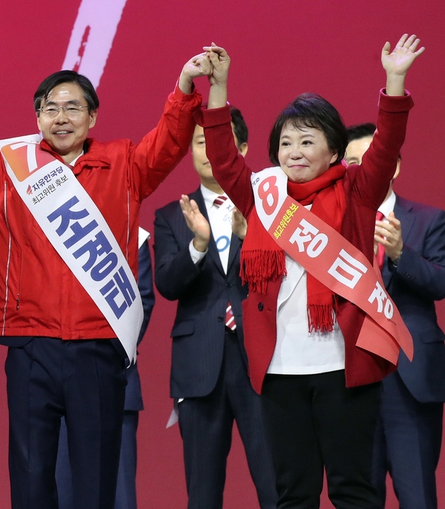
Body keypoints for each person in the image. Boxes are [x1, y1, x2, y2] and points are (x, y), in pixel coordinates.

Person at [0, 26, 211, 508]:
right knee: (31, 479)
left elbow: (172, 140)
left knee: (95, 480)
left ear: (93, 116)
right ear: (37, 118)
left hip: (97, 347)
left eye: (73, 107)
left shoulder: (125, 166)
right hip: (31, 346)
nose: (61, 117)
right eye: (49, 108)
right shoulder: (11, 168)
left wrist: (183, 87)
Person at [198, 35, 423, 508]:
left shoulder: (358, 191)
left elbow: (386, 147)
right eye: (285, 142)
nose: (294, 152)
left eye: (307, 141)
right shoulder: (263, 195)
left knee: (353, 491)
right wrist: (218, 89)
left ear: (334, 150)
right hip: (280, 371)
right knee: (292, 494)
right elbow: (223, 159)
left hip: (343, 366)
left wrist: (395, 81)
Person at [153, 108, 276, 509]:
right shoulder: (172, 216)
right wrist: (198, 245)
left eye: (219, 142)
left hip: (263, 360)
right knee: (202, 494)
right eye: (200, 142)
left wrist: (251, 234)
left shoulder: (269, 208)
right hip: (199, 365)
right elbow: (167, 285)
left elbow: (288, 275)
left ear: (240, 148)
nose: (207, 151)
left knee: (277, 486)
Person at [345, 123, 445, 509]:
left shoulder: (428, 220)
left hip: (410, 378)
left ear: (394, 166)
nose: (362, 171)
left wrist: (402, 253)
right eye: (352, 164)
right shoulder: (335, 227)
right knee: (357, 496)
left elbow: (439, 283)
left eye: (370, 160)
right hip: (354, 376)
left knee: (417, 494)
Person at [55, 229, 154, 509]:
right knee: (62, 495)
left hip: (115, 383)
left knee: (118, 498)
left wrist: (102, 356)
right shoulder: (51, 221)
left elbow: (141, 302)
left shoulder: (132, 232)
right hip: (58, 387)